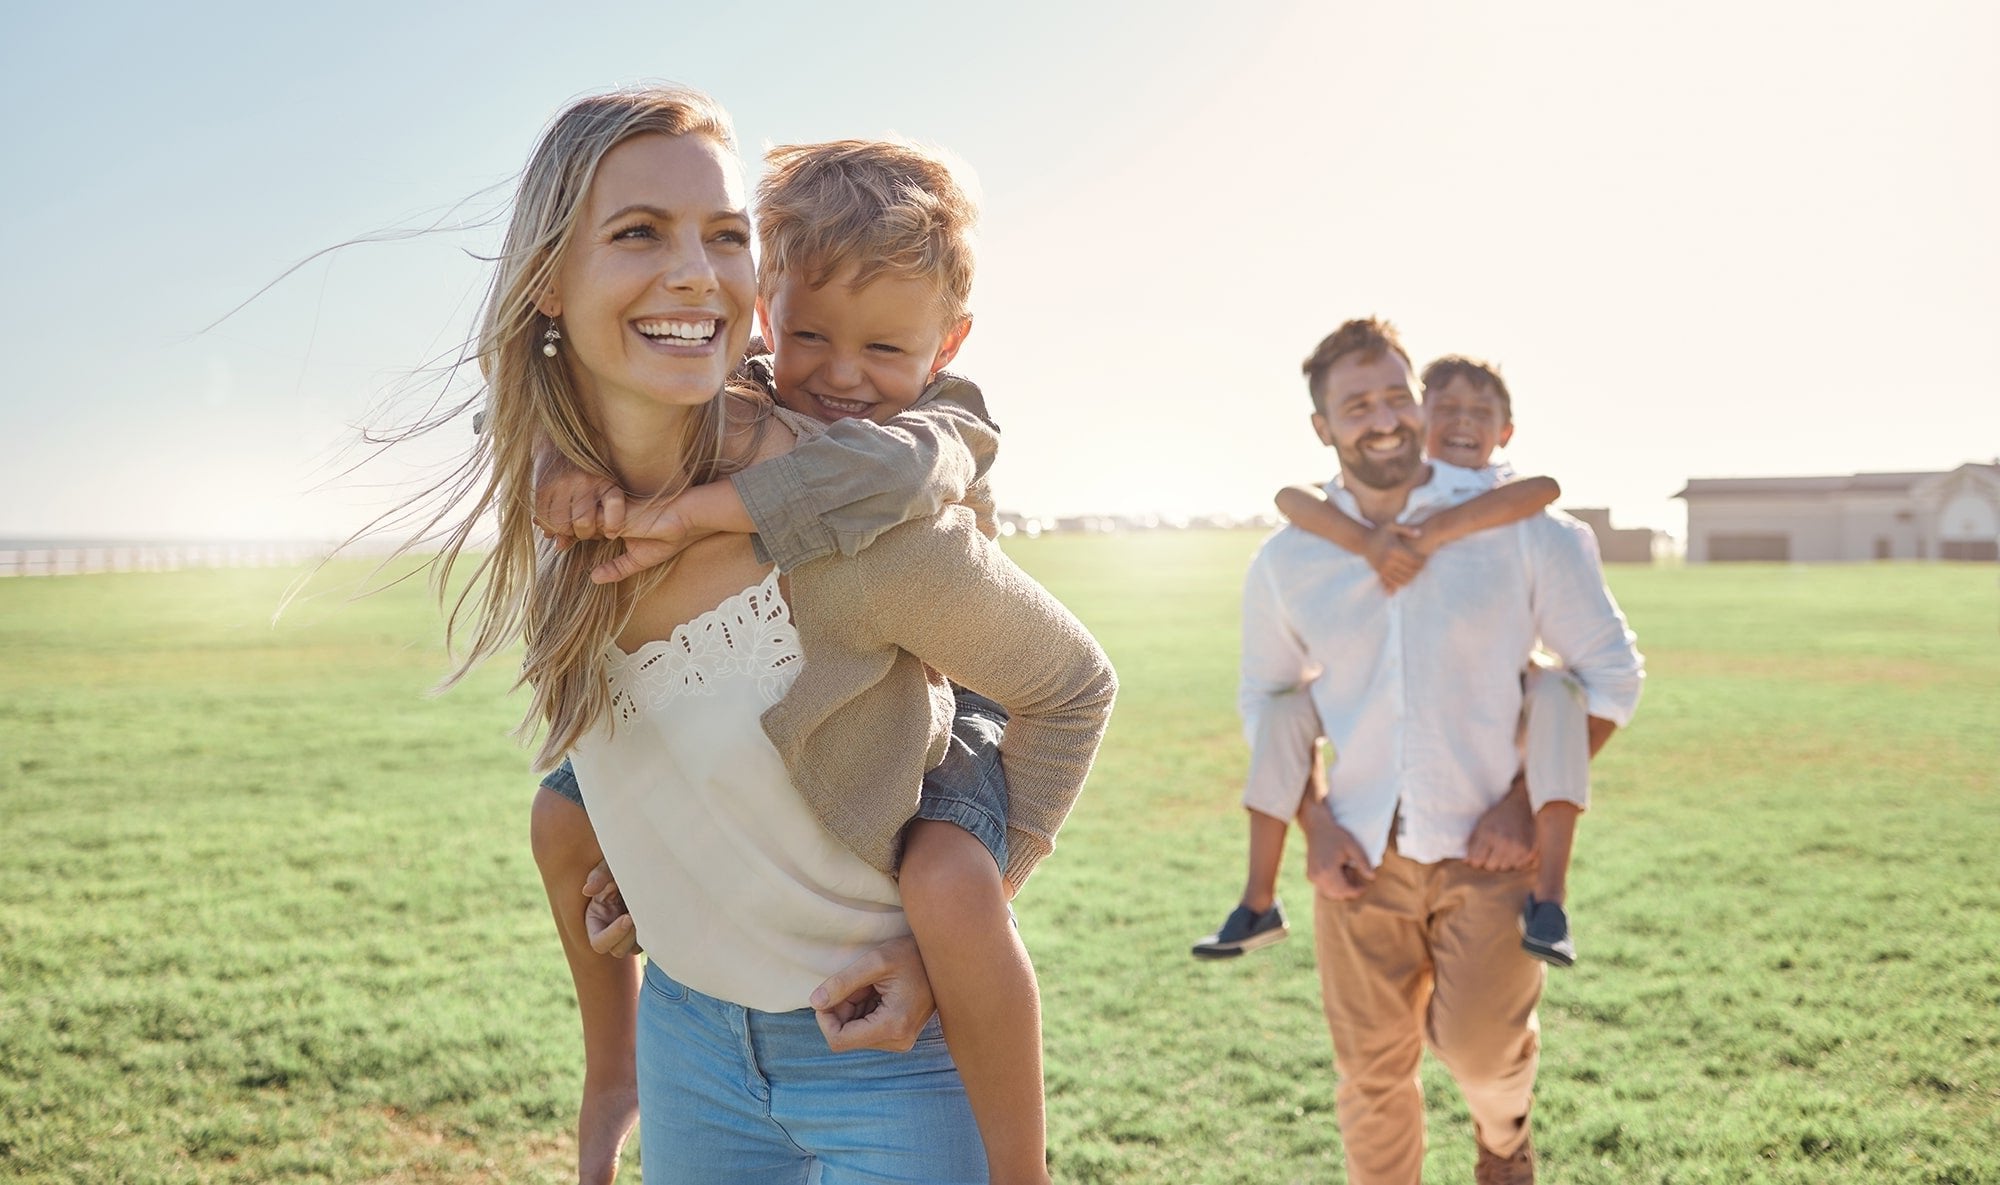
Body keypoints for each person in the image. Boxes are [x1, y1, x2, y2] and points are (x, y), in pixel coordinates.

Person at [414, 86, 1114, 1184]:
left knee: (949, 882)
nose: (694, 270)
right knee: (559, 814)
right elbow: (515, 409)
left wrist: (953, 930)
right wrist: (677, 872)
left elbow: (1071, 685)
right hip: (688, 1039)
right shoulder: (559, 495)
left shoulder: (867, 520)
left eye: (721, 234)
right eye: (639, 231)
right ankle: (615, 1075)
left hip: (882, 1052)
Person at [1238, 317, 1641, 1183]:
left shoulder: (1524, 532)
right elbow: (1267, 702)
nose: (1381, 418)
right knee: (1370, 1078)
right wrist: (1315, 824)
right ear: (1324, 426)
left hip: (1489, 852)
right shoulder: (1289, 559)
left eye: (1395, 395)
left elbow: (1610, 679)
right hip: (1356, 856)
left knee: (1481, 1056)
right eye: (1356, 404)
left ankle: (1504, 1138)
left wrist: (1526, 801)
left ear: (1419, 402)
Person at [1193, 355, 1591, 968]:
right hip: (1373, 811)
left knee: (1560, 693)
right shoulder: (1369, 504)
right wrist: (1371, 543)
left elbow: (1545, 490)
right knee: (1279, 710)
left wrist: (1433, 535)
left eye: (1481, 414)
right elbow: (1289, 497)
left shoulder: (1499, 497)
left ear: (1504, 431)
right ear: (1423, 418)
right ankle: (1257, 898)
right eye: (1447, 409)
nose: (1463, 425)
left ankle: (1551, 899)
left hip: (1500, 717)